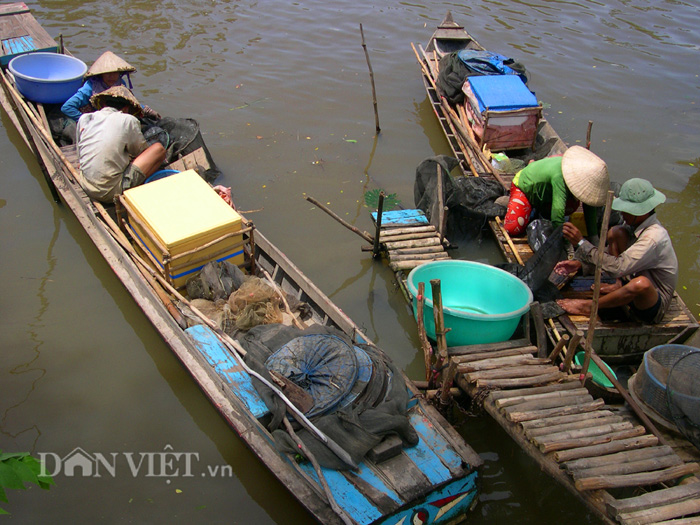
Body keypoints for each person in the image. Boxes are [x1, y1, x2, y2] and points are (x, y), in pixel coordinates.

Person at [555, 178, 677, 324]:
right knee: (616, 232)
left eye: (626, 211)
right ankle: (619, 285)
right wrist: (582, 264)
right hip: (629, 277)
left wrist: (582, 243)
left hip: (652, 303)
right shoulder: (634, 225)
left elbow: (617, 268)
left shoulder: (653, 238)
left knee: (641, 284)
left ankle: (589, 307)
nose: (622, 214)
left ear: (640, 213)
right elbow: (607, 255)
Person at [76, 86, 166, 203]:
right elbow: (140, 152)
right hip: (108, 192)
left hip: (85, 182)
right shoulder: (127, 120)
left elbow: (79, 154)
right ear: (126, 109)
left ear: (104, 105)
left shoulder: (85, 118)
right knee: (158, 150)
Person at [503, 145, 610, 241]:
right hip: (525, 186)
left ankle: (541, 210)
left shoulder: (586, 179)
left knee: (570, 206)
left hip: (548, 193)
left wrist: (594, 238)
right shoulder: (560, 176)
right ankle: (509, 202)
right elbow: (557, 217)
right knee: (513, 228)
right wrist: (566, 244)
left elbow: (589, 207)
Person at [61, 51, 135, 122]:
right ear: (101, 74)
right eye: (107, 73)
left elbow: (128, 100)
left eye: (115, 73)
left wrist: (143, 108)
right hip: (93, 117)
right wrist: (88, 122)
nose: (111, 76)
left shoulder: (121, 84)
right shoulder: (90, 87)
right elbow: (67, 107)